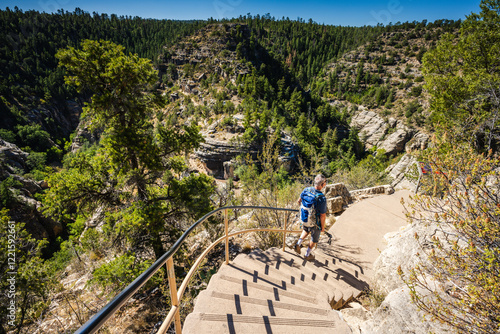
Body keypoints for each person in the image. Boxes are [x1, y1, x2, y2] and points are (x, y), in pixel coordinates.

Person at [294, 174, 327, 261]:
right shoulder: (321, 198)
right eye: (325, 182)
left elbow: (299, 201)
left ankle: (298, 243)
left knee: (305, 230)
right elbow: (323, 215)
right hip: (314, 222)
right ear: (323, 184)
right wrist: (322, 227)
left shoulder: (306, 190)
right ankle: (307, 254)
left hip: (304, 218)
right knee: (314, 238)